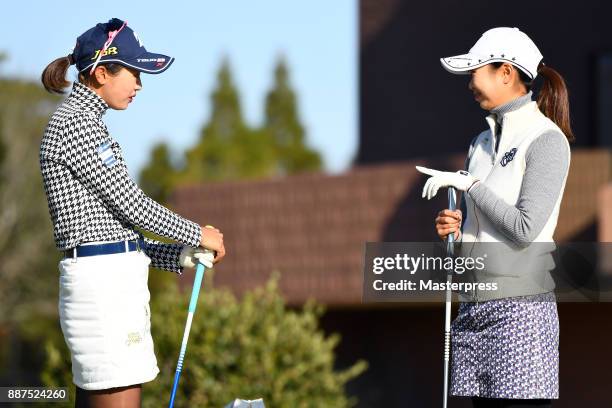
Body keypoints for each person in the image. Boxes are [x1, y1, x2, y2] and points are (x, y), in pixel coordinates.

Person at [39, 18, 225, 407]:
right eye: (134, 72)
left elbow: (115, 234)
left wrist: (178, 254)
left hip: (109, 284)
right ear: (103, 72)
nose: (139, 84)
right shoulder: (77, 125)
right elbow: (131, 205)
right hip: (103, 291)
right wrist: (197, 234)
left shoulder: (88, 123)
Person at [416, 27, 573, 407]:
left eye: (476, 71)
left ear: (506, 72)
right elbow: (483, 225)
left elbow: (523, 229)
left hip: (520, 311)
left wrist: (471, 186)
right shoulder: (480, 144)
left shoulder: (546, 140)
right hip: (473, 305)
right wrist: (454, 231)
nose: (469, 82)